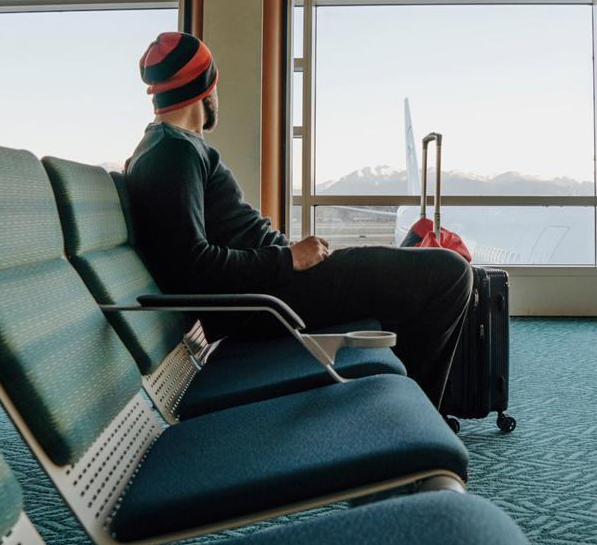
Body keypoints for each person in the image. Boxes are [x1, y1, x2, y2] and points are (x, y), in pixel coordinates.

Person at [125, 31, 471, 406]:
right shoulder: (172, 153)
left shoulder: (172, 147)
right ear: (207, 86)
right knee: (449, 273)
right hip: (268, 301)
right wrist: (288, 258)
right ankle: (412, 415)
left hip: (275, 286)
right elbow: (191, 269)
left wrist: (288, 252)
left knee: (416, 275)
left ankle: (396, 407)